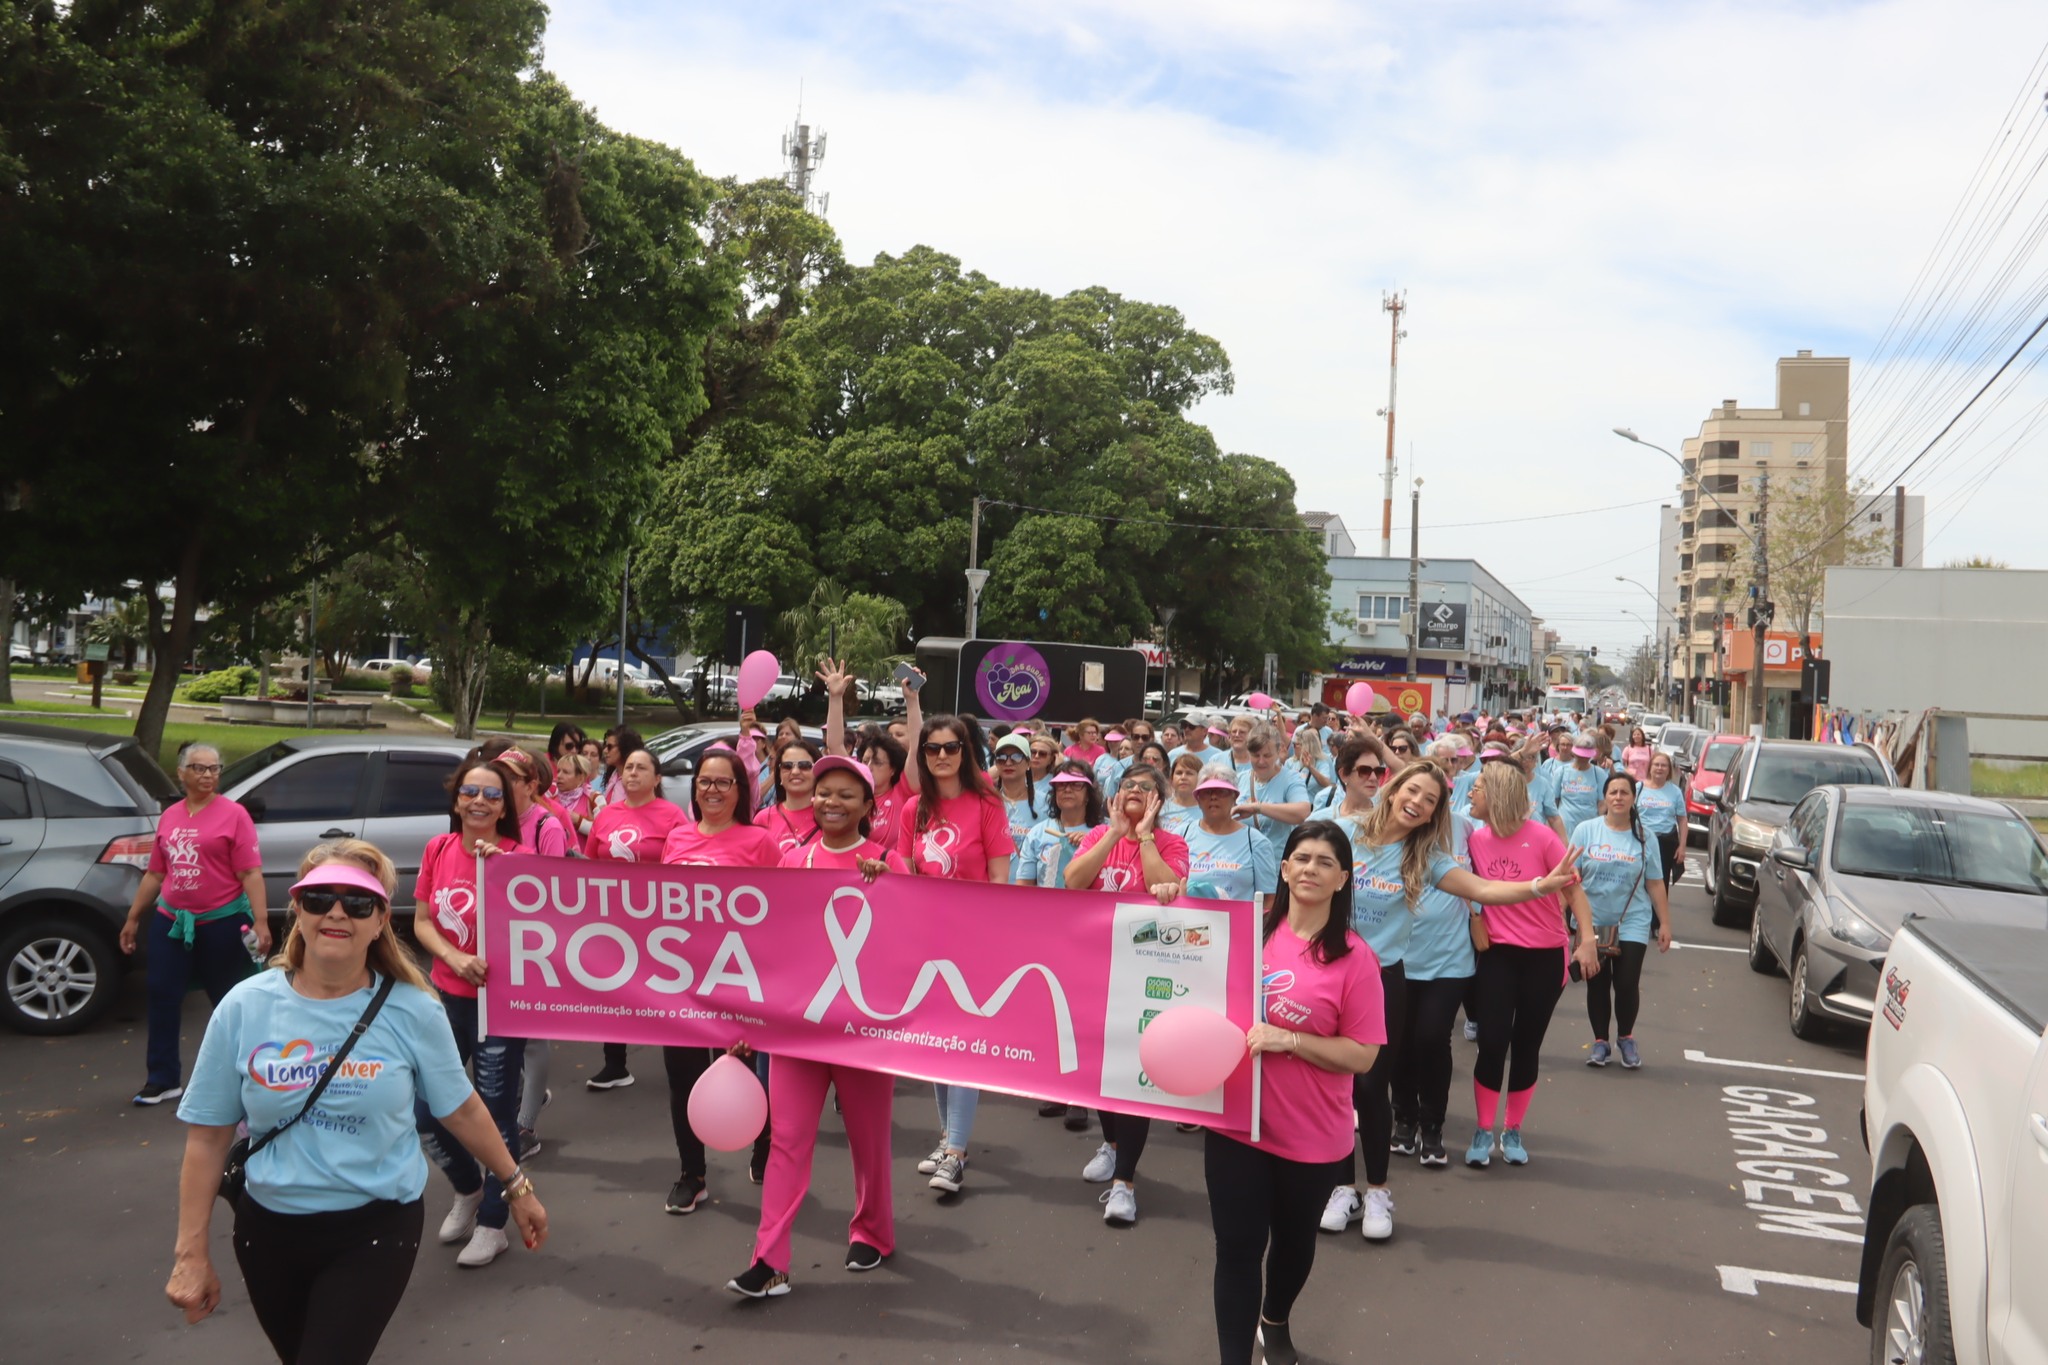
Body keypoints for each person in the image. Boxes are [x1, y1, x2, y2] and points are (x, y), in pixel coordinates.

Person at [165, 841, 546, 1362]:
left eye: (358, 902)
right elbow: (208, 1138)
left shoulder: (413, 1010)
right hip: (267, 1232)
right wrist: (190, 1253)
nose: (337, 912)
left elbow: (461, 1109)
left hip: (376, 1228)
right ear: (297, 909)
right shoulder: (244, 1007)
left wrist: (516, 1186)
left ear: (380, 920)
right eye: (320, 898)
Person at [1320, 759, 1581, 1241]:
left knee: (1371, 1087)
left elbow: (1482, 888)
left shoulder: (1426, 856)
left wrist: (1540, 886)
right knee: (1336, 1089)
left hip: (1384, 979)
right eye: (1412, 792)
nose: (1417, 803)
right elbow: (1303, 875)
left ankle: (1376, 1191)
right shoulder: (1344, 833)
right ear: (1394, 789)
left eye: (1430, 801)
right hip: (1330, 975)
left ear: (1436, 813)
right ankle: (1341, 1187)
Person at [1204, 822, 1385, 1365]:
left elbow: (1363, 1055)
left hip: (1312, 1133)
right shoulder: (1246, 932)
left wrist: (1292, 1041)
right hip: (1236, 1124)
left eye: (1325, 862)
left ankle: (1275, 1319)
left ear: (1343, 879)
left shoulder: (1355, 958)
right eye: (1301, 858)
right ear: (1283, 869)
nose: (1311, 869)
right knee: (1237, 1250)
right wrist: (1166, 894)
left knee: (1293, 1246)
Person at [728, 755, 905, 1298]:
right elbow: (769, 947)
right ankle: (769, 1261)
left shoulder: (889, 863)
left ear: (868, 805)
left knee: (868, 1141)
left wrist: (889, 889)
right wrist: (750, 1019)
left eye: (847, 795)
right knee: (786, 1141)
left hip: (861, 1032)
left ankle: (872, 1232)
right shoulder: (791, 862)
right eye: (825, 792)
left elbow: (911, 944)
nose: (832, 802)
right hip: (797, 1031)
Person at [409, 759, 531, 1267]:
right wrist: (454, 957)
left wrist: (504, 874)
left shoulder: (519, 857)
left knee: (497, 1117)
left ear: (505, 808)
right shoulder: (438, 848)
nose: (479, 801)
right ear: (456, 800)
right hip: (446, 999)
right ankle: (468, 1188)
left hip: (500, 1008)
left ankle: (494, 1223)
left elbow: (543, 930)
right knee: (425, 1111)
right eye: (470, 792)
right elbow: (421, 922)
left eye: (492, 795)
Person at [1063, 763, 1189, 1227]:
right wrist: (1116, 834)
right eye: (1128, 785)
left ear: (1159, 800)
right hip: (1094, 969)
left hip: (1145, 973)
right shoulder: (1100, 834)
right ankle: (1112, 1145)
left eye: (1145, 787)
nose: (1134, 790)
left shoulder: (1172, 843)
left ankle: (1124, 1184)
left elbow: (1166, 889)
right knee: (1101, 1067)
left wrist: (1145, 836)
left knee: (1133, 1074)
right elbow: (1074, 881)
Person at [655, 745, 781, 1210]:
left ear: (739, 789)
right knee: (683, 1079)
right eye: (704, 781)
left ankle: (763, 1143)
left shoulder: (760, 843)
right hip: (682, 985)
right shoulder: (677, 838)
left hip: (738, 984)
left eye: (722, 782)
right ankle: (692, 1174)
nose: (712, 789)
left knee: (744, 1075)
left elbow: (779, 916)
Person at [1462, 763, 1600, 1169]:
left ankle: (1512, 1129)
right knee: (1492, 1041)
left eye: (1478, 788)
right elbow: (1462, 884)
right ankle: (1483, 1130)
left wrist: (1587, 941)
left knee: (1526, 1044)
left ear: (1497, 795)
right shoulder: (1474, 839)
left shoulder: (1541, 837)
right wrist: (1474, 915)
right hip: (1498, 954)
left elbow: (1574, 893)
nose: (1470, 794)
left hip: (1544, 956)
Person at [901, 714, 1015, 1194]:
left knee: (964, 1042)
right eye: (932, 748)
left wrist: (986, 939)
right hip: (926, 942)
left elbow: (1000, 879)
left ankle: (956, 1153)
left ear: (966, 752)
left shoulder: (986, 802)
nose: (942, 756)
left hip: (973, 943)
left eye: (951, 747)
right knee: (934, 1043)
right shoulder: (914, 809)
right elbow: (906, 876)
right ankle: (947, 1136)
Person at [120, 743, 269, 1106]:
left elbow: (250, 873)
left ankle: (245, 1078)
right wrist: (133, 917)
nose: (208, 775)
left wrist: (262, 922)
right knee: (162, 994)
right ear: (182, 773)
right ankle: (163, 1079)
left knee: (230, 1001)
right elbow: (156, 873)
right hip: (172, 921)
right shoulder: (170, 816)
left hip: (222, 922)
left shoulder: (234, 815)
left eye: (214, 769)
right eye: (199, 768)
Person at [583, 744, 687, 1091]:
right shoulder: (606, 815)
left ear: (657, 778)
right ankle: (615, 1064)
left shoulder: (672, 816)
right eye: (628, 767)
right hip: (613, 921)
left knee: (667, 992)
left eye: (641, 768)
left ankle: (682, 1065)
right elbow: (590, 866)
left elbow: (684, 865)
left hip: (658, 922)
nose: (632, 773)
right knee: (614, 990)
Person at [1574, 771, 1673, 1070]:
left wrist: (1665, 923)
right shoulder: (1586, 831)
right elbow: (1570, 878)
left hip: (1633, 920)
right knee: (1597, 983)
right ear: (1604, 797)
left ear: (1633, 798)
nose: (1618, 797)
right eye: (1613, 792)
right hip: (1592, 920)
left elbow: (1655, 882)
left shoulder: (1645, 837)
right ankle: (1600, 1042)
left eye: (1624, 792)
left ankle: (1626, 1038)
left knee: (1627, 982)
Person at [1183, 765, 1279, 909]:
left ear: (1234, 797)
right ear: (1198, 798)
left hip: (1239, 922)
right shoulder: (1181, 835)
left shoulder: (1257, 842)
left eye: (1221, 791)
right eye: (1207, 792)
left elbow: (1268, 900)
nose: (1213, 797)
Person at [1234, 720, 1311, 864]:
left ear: (1279, 751)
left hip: (1277, 863)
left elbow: (1303, 812)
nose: (1261, 761)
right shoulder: (1238, 780)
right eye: (1256, 755)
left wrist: (1258, 808)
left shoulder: (1290, 779)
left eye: (1267, 755)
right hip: (1244, 863)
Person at [991, 733, 1043, 883]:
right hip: (992, 888)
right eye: (1001, 757)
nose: (1008, 762)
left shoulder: (1046, 803)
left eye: (1016, 757)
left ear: (1028, 763)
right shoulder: (986, 803)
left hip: (1030, 890)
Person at [758, 736, 823, 853]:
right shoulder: (763, 818)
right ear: (779, 775)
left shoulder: (827, 816)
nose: (795, 772)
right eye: (787, 766)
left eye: (804, 765)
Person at [1638, 750, 1686, 891]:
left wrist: (1682, 847)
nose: (1660, 768)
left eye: (1664, 765)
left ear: (1669, 770)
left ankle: (1659, 906)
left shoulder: (1675, 792)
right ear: (1650, 768)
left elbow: (1682, 820)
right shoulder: (1638, 788)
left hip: (1665, 842)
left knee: (1661, 882)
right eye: (1656, 764)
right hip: (1641, 841)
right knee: (1638, 881)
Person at [1538, 739, 1604, 838]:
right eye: (1580, 756)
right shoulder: (1562, 771)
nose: (1583, 759)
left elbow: (1602, 803)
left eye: (1586, 756)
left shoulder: (1598, 773)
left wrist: (1598, 824)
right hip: (1565, 827)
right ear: (1575, 754)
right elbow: (1554, 800)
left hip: (1589, 827)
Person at [1160, 751, 1207, 836]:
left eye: (1189, 773)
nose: (1183, 777)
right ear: (1171, 779)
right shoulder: (1161, 807)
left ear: (1200, 778)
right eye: (1179, 773)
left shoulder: (1206, 811)